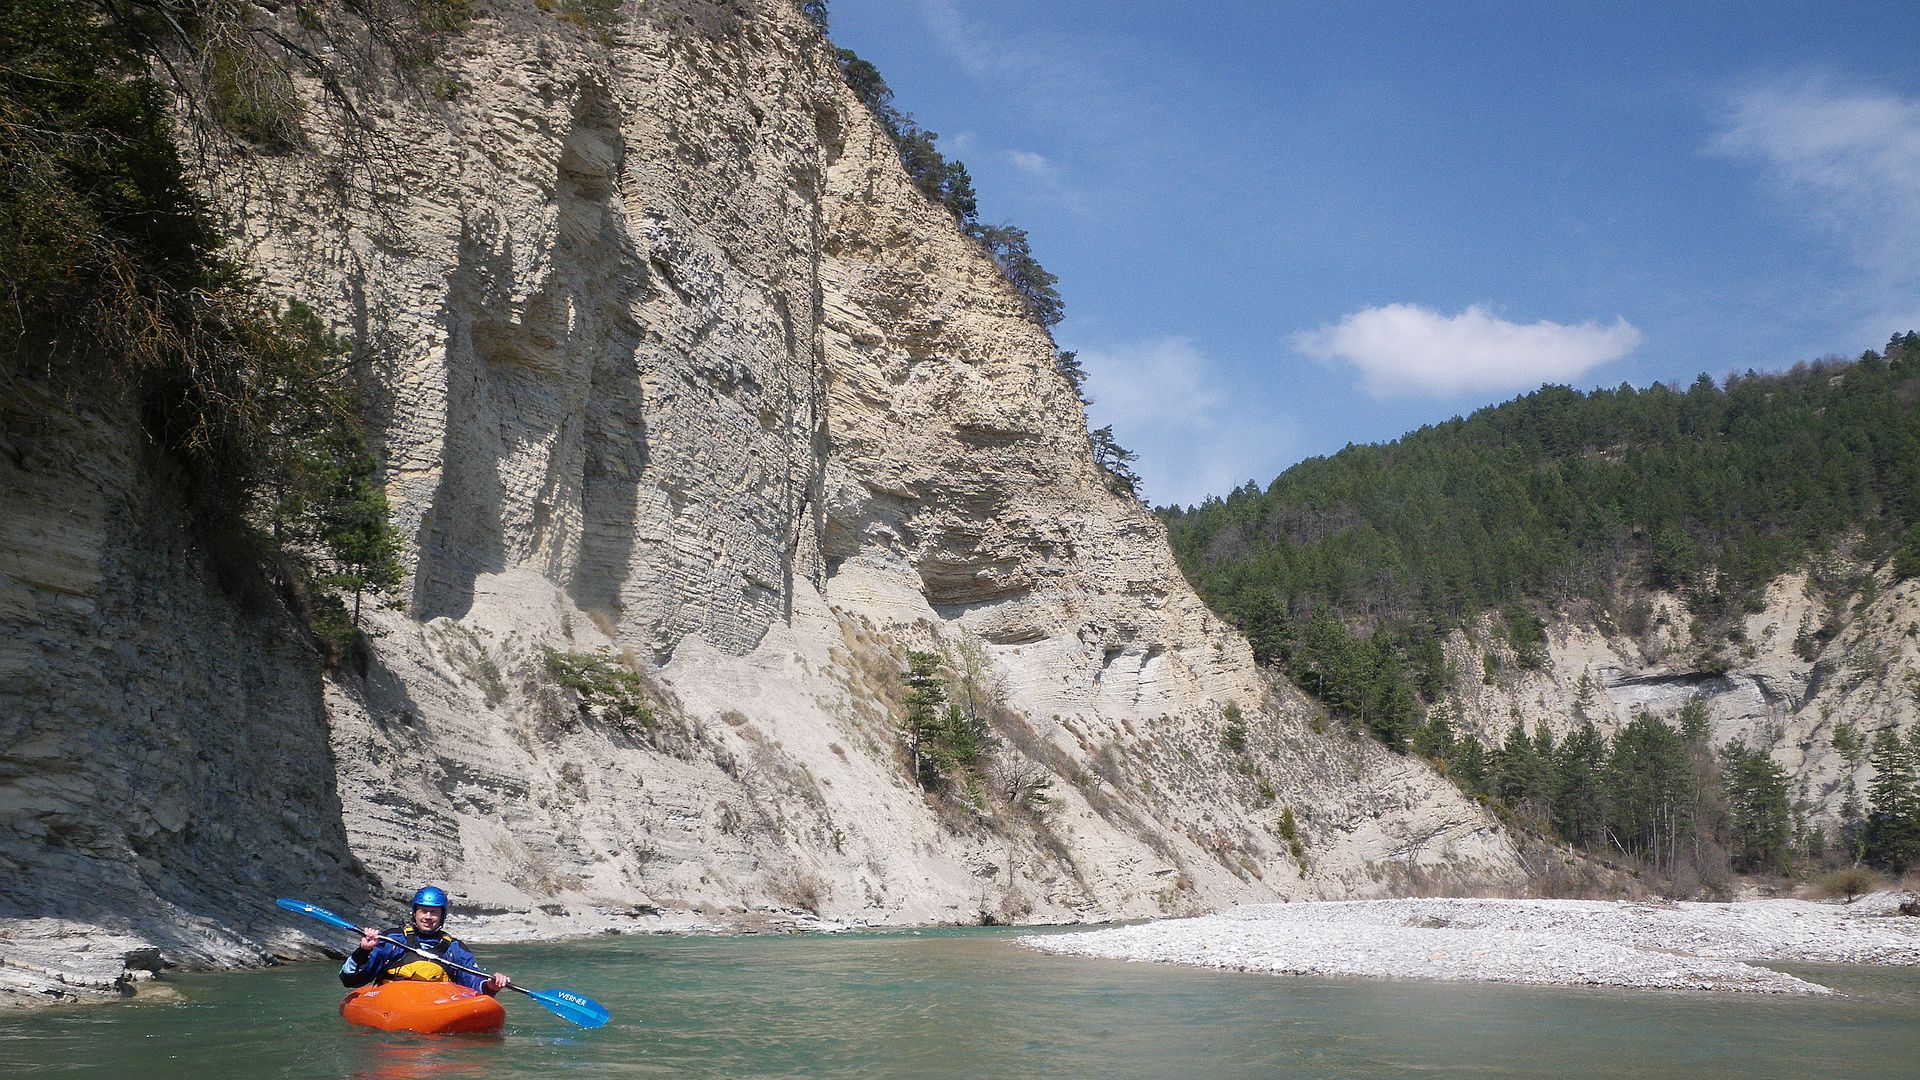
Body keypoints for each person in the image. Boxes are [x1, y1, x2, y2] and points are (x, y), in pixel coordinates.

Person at [339, 886, 511, 995]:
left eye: (434, 912)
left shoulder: (454, 948)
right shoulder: (392, 940)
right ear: (415, 913)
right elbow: (349, 980)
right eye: (423, 911)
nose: (428, 917)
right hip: (392, 1003)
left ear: (442, 916)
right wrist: (363, 950)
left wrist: (491, 985)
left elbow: (473, 983)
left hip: (435, 1006)